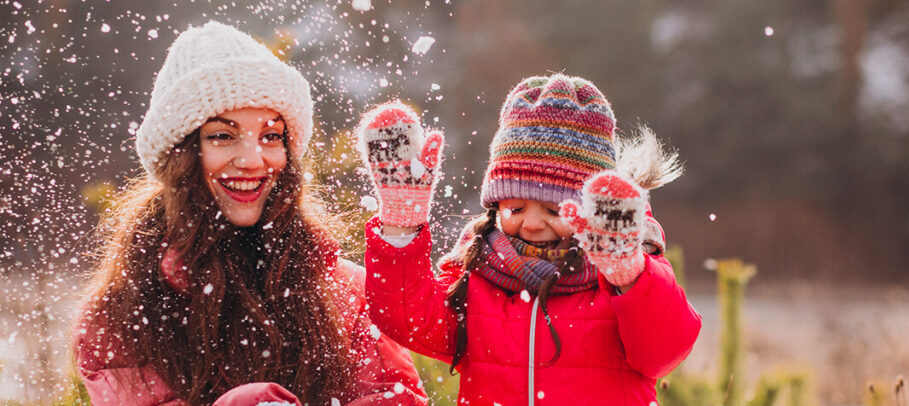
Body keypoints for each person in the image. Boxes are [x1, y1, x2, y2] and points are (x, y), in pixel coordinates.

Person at [73, 21, 427, 406]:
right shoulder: (121, 316)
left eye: (270, 136)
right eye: (223, 136)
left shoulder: (346, 292)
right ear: (182, 155)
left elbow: (393, 396)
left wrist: (401, 235)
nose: (252, 159)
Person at [358, 74, 702, 405]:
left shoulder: (622, 271)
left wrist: (627, 275)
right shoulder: (478, 269)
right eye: (516, 207)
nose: (533, 223)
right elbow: (408, 321)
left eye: (554, 211)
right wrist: (401, 226)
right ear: (495, 205)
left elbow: (664, 352)